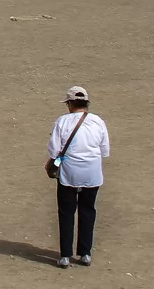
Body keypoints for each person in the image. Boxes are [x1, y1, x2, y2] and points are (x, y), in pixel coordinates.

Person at [48, 86, 110, 268]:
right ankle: (85, 253)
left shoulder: (62, 121)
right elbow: (104, 149)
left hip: (69, 173)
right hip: (92, 173)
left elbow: (54, 149)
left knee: (66, 213)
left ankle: (65, 255)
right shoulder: (98, 121)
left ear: (69, 103)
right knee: (88, 211)